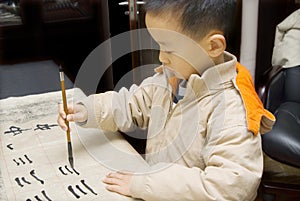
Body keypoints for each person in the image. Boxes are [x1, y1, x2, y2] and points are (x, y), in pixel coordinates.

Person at [57, 0, 275, 200]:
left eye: (169, 48)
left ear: (214, 46)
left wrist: (145, 183)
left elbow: (228, 189)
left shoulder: (231, 109)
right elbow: (133, 104)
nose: (161, 57)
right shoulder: (171, 77)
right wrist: (87, 111)